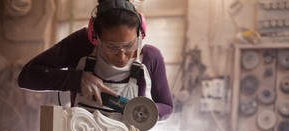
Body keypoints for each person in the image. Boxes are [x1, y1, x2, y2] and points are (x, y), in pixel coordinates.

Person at [18, 0, 173, 121]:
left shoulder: (151, 57)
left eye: (129, 45)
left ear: (141, 34)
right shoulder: (81, 45)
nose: (121, 55)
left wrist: (147, 111)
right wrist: (76, 80)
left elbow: (167, 106)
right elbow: (27, 76)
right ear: (95, 37)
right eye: (111, 47)